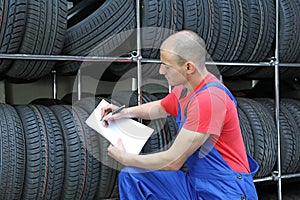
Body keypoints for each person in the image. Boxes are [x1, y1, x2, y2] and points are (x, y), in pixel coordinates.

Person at [101, 30, 259, 199]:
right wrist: (123, 112)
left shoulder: (209, 100)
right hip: (197, 184)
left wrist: (126, 158)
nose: (161, 71)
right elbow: (160, 107)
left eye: (166, 66)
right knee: (133, 175)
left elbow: (173, 161)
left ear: (189, 67)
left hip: (227, 190)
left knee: (130, 166)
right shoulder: (185, 89)